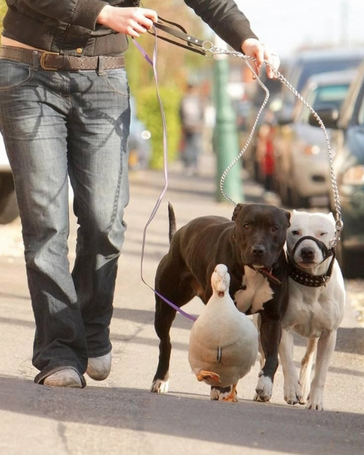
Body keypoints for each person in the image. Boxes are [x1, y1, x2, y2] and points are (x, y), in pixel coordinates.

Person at [0, 0, 279, 388]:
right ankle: (59, 352)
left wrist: (245, 38)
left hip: (103, 81)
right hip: (26, 74)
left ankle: (91, 328)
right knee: (46, 224)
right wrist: (100, 12)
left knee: (105, 221)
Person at [179, 83, 204, 175]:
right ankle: (191, 165)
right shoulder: (196, 100)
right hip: (192, 126)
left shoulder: (185, 99)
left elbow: (180, 112)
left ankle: (191, 166)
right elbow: (202, 112)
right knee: (192, 146)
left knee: (192, 146)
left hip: (190, 126)